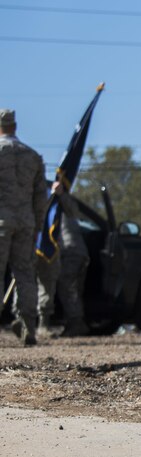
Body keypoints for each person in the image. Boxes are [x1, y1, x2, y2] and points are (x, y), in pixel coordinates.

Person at [0, 108, 48, 347]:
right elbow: (41, 198)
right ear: (15, 127)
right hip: (26, 222)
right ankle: (28, 326)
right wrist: (38, 225)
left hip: (1, 222)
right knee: (25, 275)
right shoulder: (32, 156)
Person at [49, 182, 91, 337]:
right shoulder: (58, 208)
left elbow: (74, 211)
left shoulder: (62, 205)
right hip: (76, 251)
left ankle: (76, 323)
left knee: (67, 287)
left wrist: (60, 194)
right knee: (74, 289)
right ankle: (74, 323)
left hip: (71, 251)